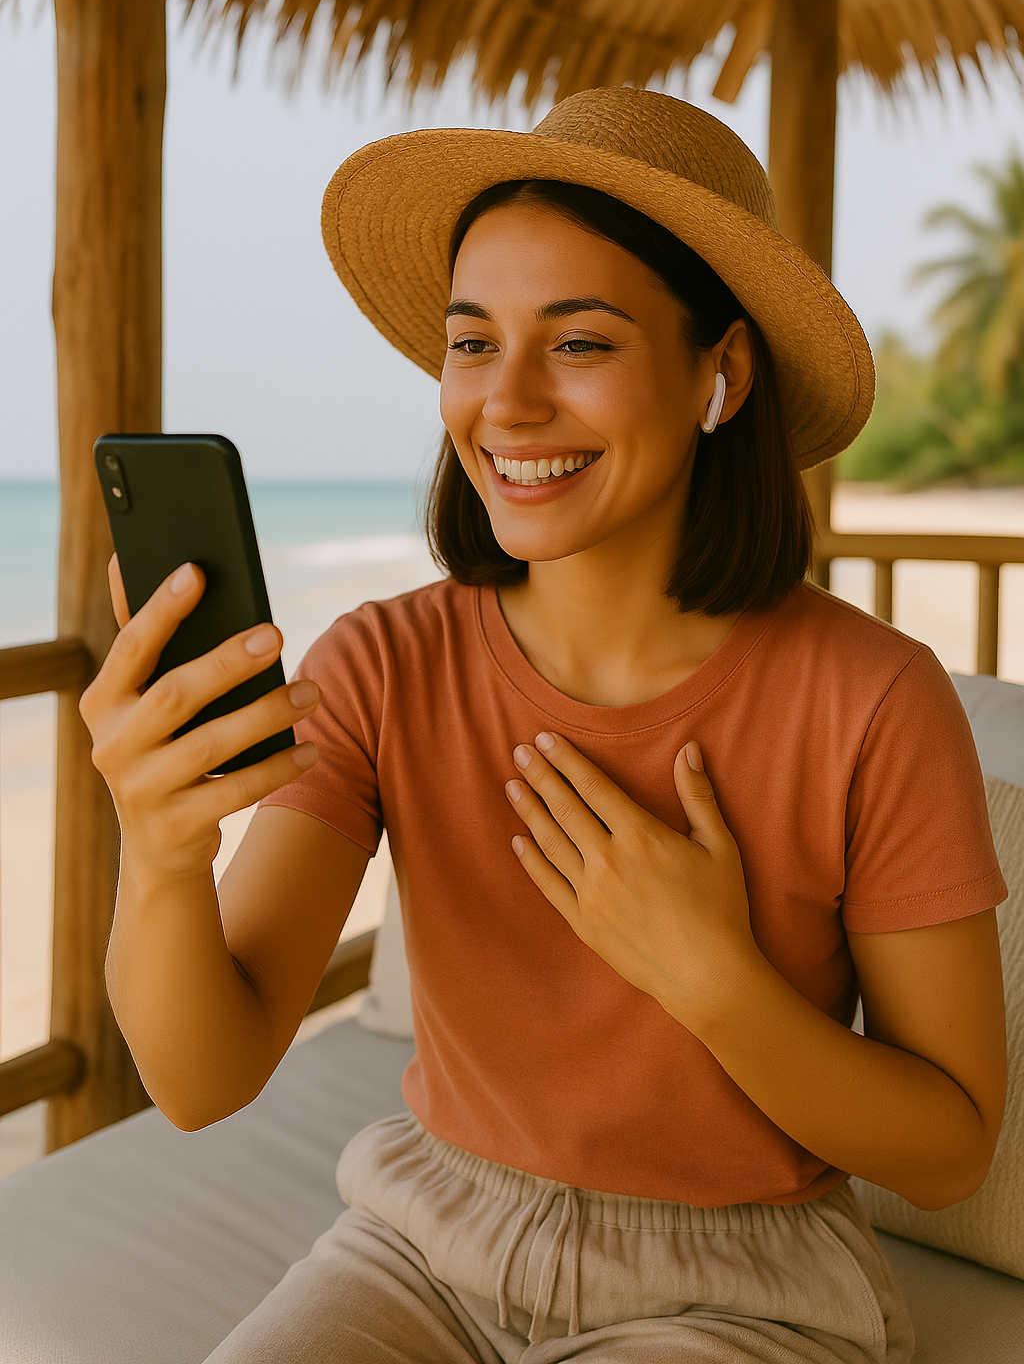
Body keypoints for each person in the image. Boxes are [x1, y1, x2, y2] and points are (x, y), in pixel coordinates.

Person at [82, 89, 1007, 1363]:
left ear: (718, 375)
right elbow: (202, 1078)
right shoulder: (385, 664)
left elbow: (949, 1147)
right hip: (421, 1243)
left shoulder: (875, 700)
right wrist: (160, 849)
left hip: (738, 1287)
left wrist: (713, 980)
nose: (503, 404)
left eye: (578, 345)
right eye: (473, 343)